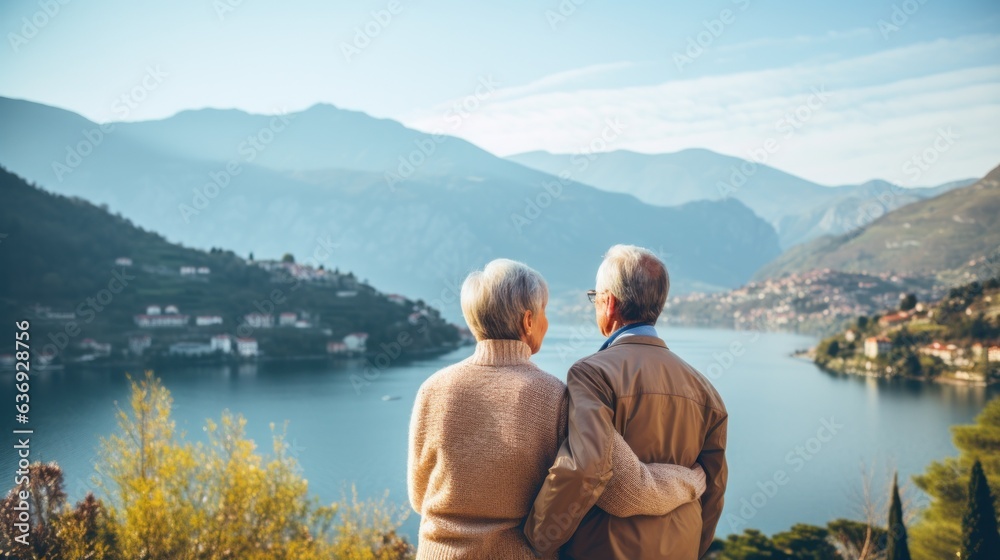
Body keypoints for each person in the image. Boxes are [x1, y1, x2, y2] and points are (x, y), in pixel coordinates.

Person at [407, 258, 707, 559]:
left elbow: (419, 497)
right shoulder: (555, 397)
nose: (546, 322)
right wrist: (693, 480)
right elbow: (629, 492)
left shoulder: (432, 390)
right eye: (544, 312)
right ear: (527, 321)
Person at [524, 245, 729, 559]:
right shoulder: (705, 389)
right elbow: (714, 487)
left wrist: (540, 537)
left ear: (609, 304)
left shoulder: (592, 373)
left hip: (604, 549)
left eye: (595, 297)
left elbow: (584, 469)